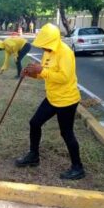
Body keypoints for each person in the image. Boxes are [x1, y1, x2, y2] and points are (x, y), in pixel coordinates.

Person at [15, 23, 85, 180]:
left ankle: (78, 167)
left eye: (46, 46)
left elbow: (64, 78)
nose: (44, 49)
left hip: (67, 99)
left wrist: (42, 71)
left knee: (66, 133)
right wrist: (32, 73)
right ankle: (33, 156)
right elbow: (45, 73)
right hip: (52, 97)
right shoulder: (48, 52)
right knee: (35, 123)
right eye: (43, 46)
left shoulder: (65, 52)